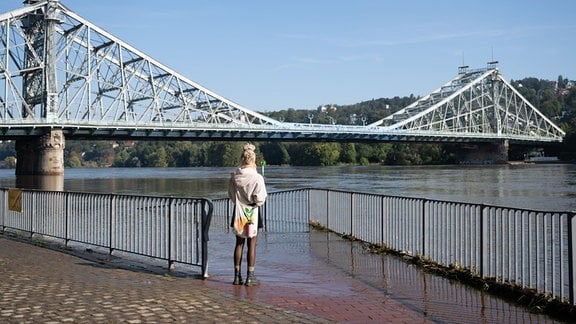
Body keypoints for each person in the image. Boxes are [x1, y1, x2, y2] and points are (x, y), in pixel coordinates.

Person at [228, 143, 267, 286]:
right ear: (253, 160)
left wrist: (239, 201)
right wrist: (254, 202)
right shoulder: (257, 178)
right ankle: (250, 277)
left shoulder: (234, 177)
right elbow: (261, 199)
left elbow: (231, 196)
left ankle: (236, 277)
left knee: (239, 244)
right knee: (252, 244)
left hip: (238, 212)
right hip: (252, 214)